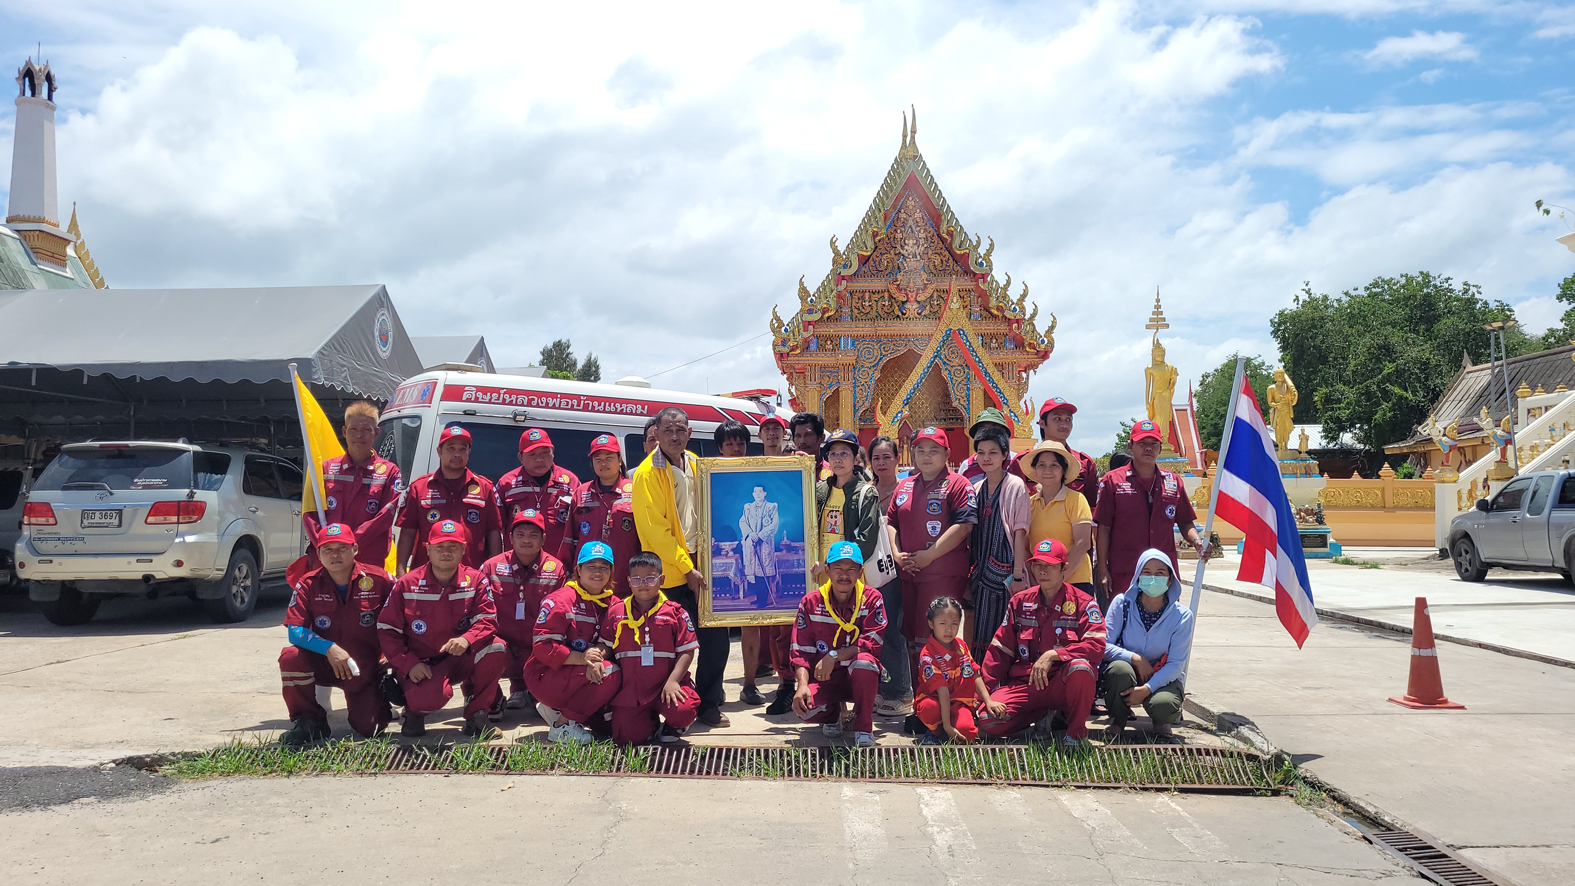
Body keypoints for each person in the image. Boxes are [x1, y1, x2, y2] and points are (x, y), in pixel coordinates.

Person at [631, 407, 731, 728]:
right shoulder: (647, 475)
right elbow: (656, 532)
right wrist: (688, 569)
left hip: (707, 565)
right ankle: (666, 705)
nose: (675, 436)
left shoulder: (699, 466)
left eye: (680, 430)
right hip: (674, 574)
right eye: (668, 430)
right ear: (656, 435)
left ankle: (709, 702)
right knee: (672, 643)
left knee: (716, 639)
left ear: (689, 434)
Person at [377, 520, 507, 738]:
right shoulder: (407, 583)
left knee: (496, 648)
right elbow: (387, 629)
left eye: (453, 547)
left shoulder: (476, 580)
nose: (446, 553)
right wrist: (409, 664)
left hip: (460, 657)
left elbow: (488, 619)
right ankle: (413, 712)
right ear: (427, 549)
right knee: (429, 700)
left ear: (464, 549)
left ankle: (477, 717)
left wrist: (467, 639)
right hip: (423, 663)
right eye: (440, 547)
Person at [977, 539, 1104, 745]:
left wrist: (1054, 655)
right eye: (1038, 565)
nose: (1042, 571)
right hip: (1026, 684)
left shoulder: (1083, 603)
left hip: (1062, 683)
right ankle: (1042, 715)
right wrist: (982, 697)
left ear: (1065, 569)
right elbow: (1000, 650)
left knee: (1081, 668)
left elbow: (1096, 647)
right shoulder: (1019, 601)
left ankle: (1075, 735)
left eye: (1050, 566)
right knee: (988, 721)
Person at [278, 523, 393, 747]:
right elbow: (295, 631)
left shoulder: (380, 581)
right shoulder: (308, 584)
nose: (335, 555)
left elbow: (400, 622)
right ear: (318, 554)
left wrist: (390, 656)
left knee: (372, 728)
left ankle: (380, 699)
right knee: (290, 656)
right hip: (323, 661)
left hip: (362, 665)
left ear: (355, 549)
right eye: (327, 549)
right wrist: (330, 648)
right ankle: (308, 720)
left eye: (341, 548)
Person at [887, 426, 977, 691]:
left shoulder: (959, 484)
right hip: (908, 574)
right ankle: (921, 700)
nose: (926, 456)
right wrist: (896, 552)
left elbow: (964, 526)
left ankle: (945, 700)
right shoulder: (904, 485)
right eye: (920, 450)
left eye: (934, 451)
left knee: (938, 638)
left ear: (947, 453)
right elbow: (891, 522)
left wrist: (929, 556)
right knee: (913, 639)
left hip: (943, 575)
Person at [1093, 420, 1208, 602]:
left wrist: (1197, 541)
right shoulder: (1113, 481)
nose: (1148, 449)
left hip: (1162, 571)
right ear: (1131, 446)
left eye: (1153, 444)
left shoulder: (1173, 481)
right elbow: (1103, 528)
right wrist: (1102, 570)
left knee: (1164, 624)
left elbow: (1185, 522)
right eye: (1142, 444)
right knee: (1124, 622)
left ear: (1160, 449)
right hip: (1125, 569)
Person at [790, 541, 887, 748]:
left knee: (865, 663)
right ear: (827, 570)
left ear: (861, 572)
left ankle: (863, 726)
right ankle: (833, 715)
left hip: (857, 677)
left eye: (851, 569)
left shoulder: (872, 599)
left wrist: (834, 656)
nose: (845, 575)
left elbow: (872, 643)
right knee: (804, 709)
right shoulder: (811, 602)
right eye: (838, 568)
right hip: (825, 677)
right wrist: (802, 685)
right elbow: (801, 650)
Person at [526, 541, 624, 744]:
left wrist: (597, 655)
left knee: (608, 726)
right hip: (545, 674)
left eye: (604, 567)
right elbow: (543, 647)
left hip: (584, 672)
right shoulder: (560, 600)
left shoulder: (614, 604)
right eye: (591, 566)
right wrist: (583, 659)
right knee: (611, 674)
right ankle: (563, 725)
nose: (598, 572)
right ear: (578, 569)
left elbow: (611, 642)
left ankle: (555, 710)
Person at [601, 551, 702, 744]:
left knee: (684, 710)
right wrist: (596, 655)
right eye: (637, 579)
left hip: (666, 685)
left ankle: (674, 725)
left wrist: (673, 681)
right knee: (627, 738)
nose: (644, 584)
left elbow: (687, 650)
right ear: (629, 581)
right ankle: (651, 724)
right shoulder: (616, 612)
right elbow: (605, 645)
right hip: (632, 691)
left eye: (650, 578)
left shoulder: (676, 612)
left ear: (661, 580)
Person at [478, 509, 565, 715]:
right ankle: (491, 699)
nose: (527, 540)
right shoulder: (491, 568)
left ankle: (536, 693)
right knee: (479, 646)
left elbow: (562, 618)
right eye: (520, 535)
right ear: (509, 538)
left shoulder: (556, 569)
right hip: (504, 649)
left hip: (539, 649)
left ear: (544, 538)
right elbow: (477, 612)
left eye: (533, 535)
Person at [1102, 549, 1194, 744]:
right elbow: (1103, 645)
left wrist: (1147, 688)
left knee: (1164, 704)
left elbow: (1177, 663)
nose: (1153, 578)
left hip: (1163, 675)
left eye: (1160, 573)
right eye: (1147, 572)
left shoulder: (1182, 616)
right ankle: (1119, 720)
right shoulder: (1122, 604)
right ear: (1137, 576)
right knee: (1119, 670)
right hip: (1130, 672)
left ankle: (1161, 724)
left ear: (1170, 579)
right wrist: (1135, 658)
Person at [709, 421, 770, 707]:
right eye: (730, 444)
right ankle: (715, 686)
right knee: (715, 630)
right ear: (720, 447)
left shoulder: (760, 473)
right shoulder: (707, 475)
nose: (736, 448)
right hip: (722, 548)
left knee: (752, 624)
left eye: (741, 443)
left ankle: (749, 684)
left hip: (757, 544)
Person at [303, 401, 402, 567]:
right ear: (344, 431)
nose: (359, 435)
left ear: (376, 433)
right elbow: (310, 513)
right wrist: (328, 545)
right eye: (353, 429)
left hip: (368, 561)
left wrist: (348, 543)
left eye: (366, 430)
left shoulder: (389, 472)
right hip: (327, 562)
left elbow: (384, 517)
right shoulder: (324, 469)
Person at [395, 425, 502, 573]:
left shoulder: (485, 488)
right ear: (439, 451)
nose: (457, 454)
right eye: (451, 448)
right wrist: (400, 570)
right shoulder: (419, 488)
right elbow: (408, 533)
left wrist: (494, 572)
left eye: (462, 449)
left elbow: (494, 533)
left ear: (469, 452)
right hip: (425, 576)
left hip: (472, 576)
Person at [967, 424, 1030, 656]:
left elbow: (1019, 532)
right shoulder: (976, 488)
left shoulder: (1015, 485)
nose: (986, 458)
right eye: (981, 452)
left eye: (993, 452)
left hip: (1005, 574)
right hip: (982, 573)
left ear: (1005, 455)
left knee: (1006, 631)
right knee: (980, 632)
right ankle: (981, 683)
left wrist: (1017, 575)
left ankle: (1002, 685)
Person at [913, 596, 1003, 745]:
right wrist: (948, 727)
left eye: (955, 624)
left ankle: (953, 725)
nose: (949, 629)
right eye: (942, 623)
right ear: (931, 624)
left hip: (959, 702)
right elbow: (942, 691)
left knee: (967, 734)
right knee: (930, 709)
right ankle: (935, 730)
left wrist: (989, 701)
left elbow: (975, 674)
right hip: (936, 700)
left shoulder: (961, 645)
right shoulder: (927, 655)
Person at [867, 435, 912, 719]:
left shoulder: (906, 490)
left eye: (887, 457)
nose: (882, 463)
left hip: (899, 570)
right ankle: (878, 690)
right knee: (872, 630)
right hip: (869, 571)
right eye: (876, 458)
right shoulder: (865, 492)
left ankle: (901, 691)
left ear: (898, 458)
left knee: (895, 630)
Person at [1019, 439, 1096, 599]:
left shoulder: (1076, 499)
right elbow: (1025, 548)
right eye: (1041, 465)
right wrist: (1035, 581)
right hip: (1041, 583)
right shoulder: (1029, 503)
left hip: (1075, 580)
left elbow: (1083, 543)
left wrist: (1059, 578)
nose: (1048, 470)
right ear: (1035, 469)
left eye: (1054, 465)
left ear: (1063, 470)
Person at [564, 433, 637, 598]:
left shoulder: (636, 490)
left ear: (619, 460)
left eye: (609, 457)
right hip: (587, 585)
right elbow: (570, 539)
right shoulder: (581, 493)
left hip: (624, 583)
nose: (603, 463)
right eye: (598, 459)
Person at [495, 428, 580, 562]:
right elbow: (495, 529)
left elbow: (580, 527)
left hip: (559, 566)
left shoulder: (570, 482)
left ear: (553, 452)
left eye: (545, 453)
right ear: (520, 457)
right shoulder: (507, 484)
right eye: (532, 454)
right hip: (516, 566)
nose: (539, 459)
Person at [1038, 398, 1099, 513]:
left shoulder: (1084, 462)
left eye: (1068, 419)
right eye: (1057, 419)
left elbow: (1093, 506)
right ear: (1042, 423)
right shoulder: (1022, 462)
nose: (1064, 425)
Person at [957, 408, 1030, 486]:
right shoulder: (967, 466)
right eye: (982, 429)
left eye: (994, 428)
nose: (988, 433)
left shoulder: (1017, 462)